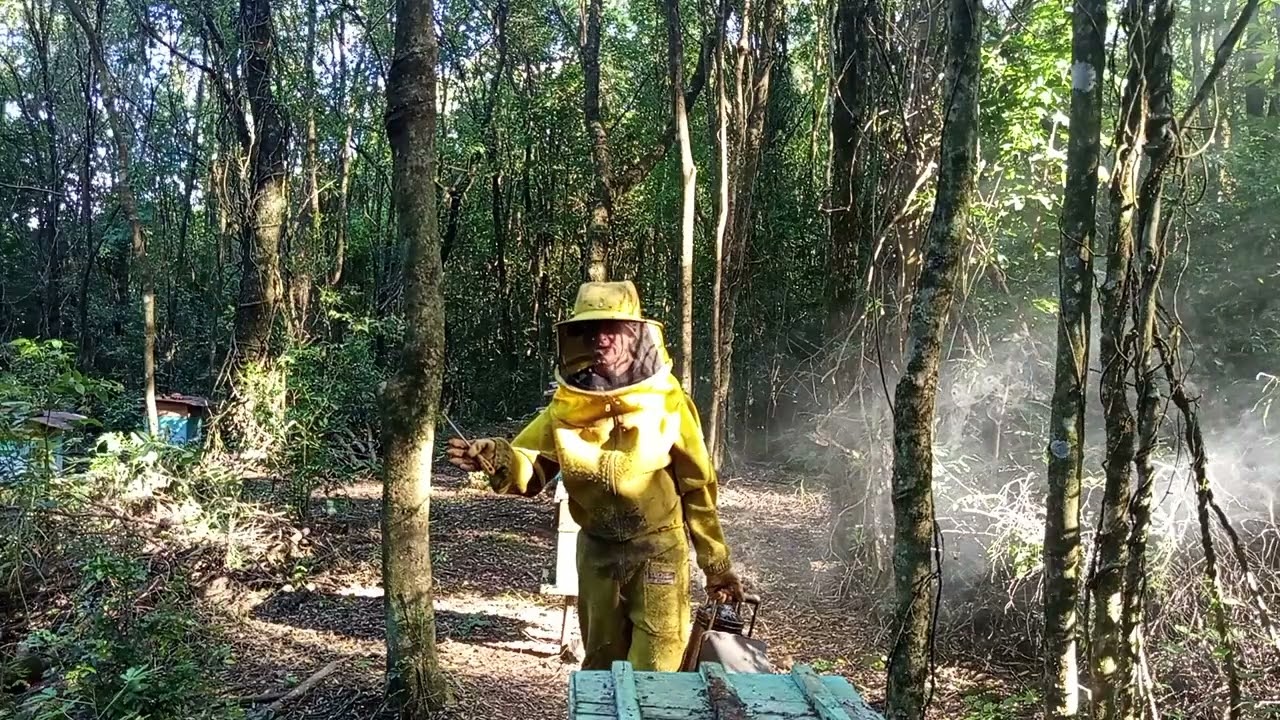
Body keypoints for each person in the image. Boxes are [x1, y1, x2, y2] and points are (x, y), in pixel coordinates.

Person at [446, 280, 745, 672]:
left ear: (635, 335)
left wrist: (716, 567)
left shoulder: (668, 401)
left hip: (658, 553)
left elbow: (697, 487)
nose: (601, 339)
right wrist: (498, 457)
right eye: (591, 330)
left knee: (656, 677)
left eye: (611, 329)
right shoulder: (568, 404)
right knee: (602, 672)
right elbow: (533, 468)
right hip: (597, 556)